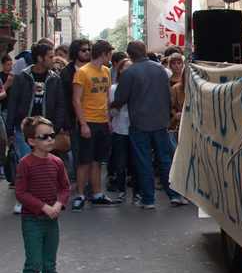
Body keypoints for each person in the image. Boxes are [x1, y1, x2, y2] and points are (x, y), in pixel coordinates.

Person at [111, 41, 188, 209]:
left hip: (139, 121)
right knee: (164, 159)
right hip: (159, 120)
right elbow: (168, 96)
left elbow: (121, 98)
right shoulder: (160, 69)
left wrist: (111, 108)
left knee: (143, 160)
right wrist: (167, 116)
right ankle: (174, 194)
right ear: (144, 51)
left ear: (130, 54)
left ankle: (147, 198)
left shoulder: (129, 72)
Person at [15, 115, 71, 273]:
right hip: (32, 221)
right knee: (33, 264)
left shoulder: (56, 162)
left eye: (51, 135)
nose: (50, 140)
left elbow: (65, 187)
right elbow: (20, 193)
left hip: (51, 221)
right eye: (44, 136)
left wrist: (58, 204)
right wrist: (43, 207)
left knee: (50, 263)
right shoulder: (25, 163)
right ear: (31, 141)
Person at [6, 43, 69, 214]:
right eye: (50, 56)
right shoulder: (22, 77)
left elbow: (60, 105)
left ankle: (40, 198)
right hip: (24, 128)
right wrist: (10, 131)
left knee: (43, 164)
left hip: (46, 130)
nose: (53, 59)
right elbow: (13, 105)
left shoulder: (54, 79)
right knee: (24, 163)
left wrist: (55, 128)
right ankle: (22, 199)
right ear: (40, 58)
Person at [72, 39, 117, 210]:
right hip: (88, 122)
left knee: (97, 161)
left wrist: (108, 120)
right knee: (85, 161)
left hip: (102, 122)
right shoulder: (82, 72)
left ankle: (97, 194)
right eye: (109, 54)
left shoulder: (106, 72)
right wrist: (83, 124)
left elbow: (106, 98)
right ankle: (80, 195)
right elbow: (76, 100)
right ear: (103, 54)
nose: (110, 58)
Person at [60, 39, 92, 180]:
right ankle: (82, 186)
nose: (87, 52)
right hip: (74, 120)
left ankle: (91, 186)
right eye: (83, 50)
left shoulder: (93, 69)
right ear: (75, 52)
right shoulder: (66, 72)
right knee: (78, 155)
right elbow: (63, 100)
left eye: (88, 49)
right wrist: (66, 123)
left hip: (93, 117)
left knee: (92, 156)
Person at [109, 58, 136, 203]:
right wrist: (118, 104)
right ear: (120, 70)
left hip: (135, 127)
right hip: (119, 128)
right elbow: (112, 112)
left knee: (136, 161)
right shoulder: (113, 89)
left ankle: (137, 192)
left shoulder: (138, 87)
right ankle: (121, 191)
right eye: (126, 67)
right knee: (121, 162)